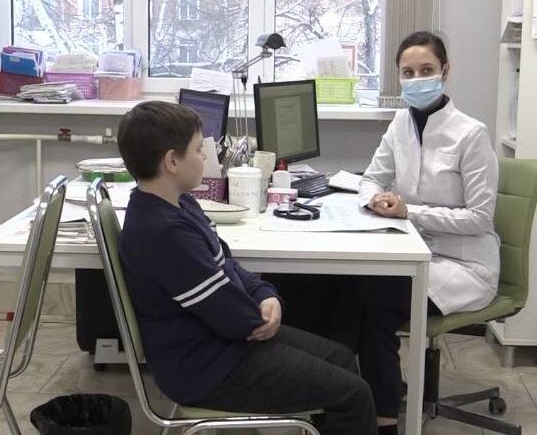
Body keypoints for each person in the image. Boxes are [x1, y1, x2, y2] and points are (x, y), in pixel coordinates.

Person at [267, 31, 500, 435]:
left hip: (461, 265)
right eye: (408, 72)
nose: (417, 79)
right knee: (340, 287)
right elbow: (372, 178)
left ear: (445, 70)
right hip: (411, 249)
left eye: (426, 70)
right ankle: (342, 398)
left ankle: (378, 415)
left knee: (372, 302)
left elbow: (479, 218)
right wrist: (375, 198)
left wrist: (410, 211)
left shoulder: (471, 134)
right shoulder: (400, 123)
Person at [117, 101, 377, 435]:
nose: (205, 156)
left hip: (221, 344)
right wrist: (259, 319)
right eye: (198, 149)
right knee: (354, 396)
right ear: (172, 161)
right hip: (205, 367)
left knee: (341, 357)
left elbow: (225, 261)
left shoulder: (181, 203)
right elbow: (228, 314)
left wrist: (265, 294)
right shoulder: (162, 232)